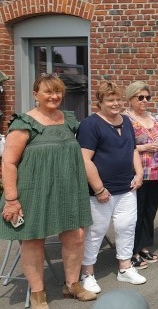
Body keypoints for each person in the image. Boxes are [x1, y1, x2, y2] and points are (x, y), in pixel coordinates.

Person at [0, 75, 96, 308]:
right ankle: (38, 294)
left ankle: (71, 284)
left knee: (76, 237)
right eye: (48, 92)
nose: (54, 96)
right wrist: (12, 199)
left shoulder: (69, 120)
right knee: (33, 241)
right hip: (33, 191)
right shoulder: (24, 123)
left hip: (66, 190)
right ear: (35, 95)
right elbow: (8, 163)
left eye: (58, 92)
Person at [78, 81, 146, 293]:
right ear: (100, 102)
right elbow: (85, 159)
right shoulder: (90, 124)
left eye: (117, 99)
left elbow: (133, 150)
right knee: (95, 232)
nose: (115, 103)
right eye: (110, 100)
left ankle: (125, 268)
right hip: (101, 192)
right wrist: (99, 189)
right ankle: (87, 273)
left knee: (126, 228)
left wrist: (139, 173)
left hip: (127, 187)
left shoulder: (126, 120)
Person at [125, 81, 158, 269]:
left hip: (156, 172)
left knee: (150, 210)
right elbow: (122, 146)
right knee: (137, 212)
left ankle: (143, 246)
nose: (144, 101)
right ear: (130, 98)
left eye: (147, 97)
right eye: (140, 97)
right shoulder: (126, 119)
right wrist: (144, 147)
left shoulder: (152, 117)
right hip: (138, 172)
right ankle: (131, 251)